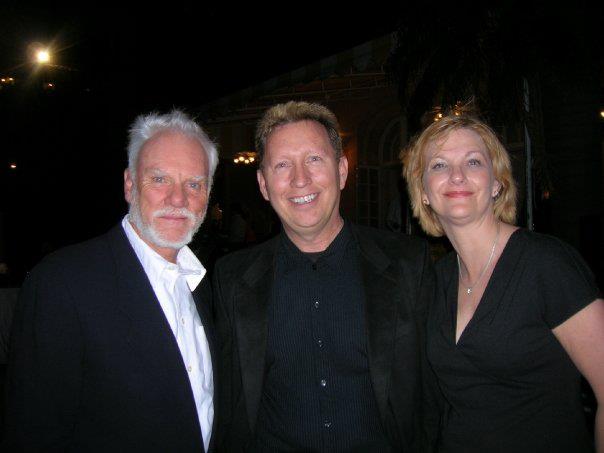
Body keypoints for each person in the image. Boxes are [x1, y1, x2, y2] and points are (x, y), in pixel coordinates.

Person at [213, 101, 438, 452]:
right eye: (282, 165)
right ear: (263, 184)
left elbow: (433, 394)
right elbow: (227, 405)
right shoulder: (231, 278)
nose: (299, 179)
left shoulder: (408, 264)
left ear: (342, 171)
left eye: (314, 159)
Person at [4, 110, 220, 452]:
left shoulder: (203, 286)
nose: (179, 200)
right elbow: (33, 433)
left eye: (194, 184)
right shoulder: (63, 283)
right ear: (129, 185)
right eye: (160, 179)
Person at [402, 110, 604, 452]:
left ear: (497, 183)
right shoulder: (436, 280)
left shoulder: (546, 263)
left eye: (474, 162)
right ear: (422, 191)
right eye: (438, 165)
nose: (456, 176)